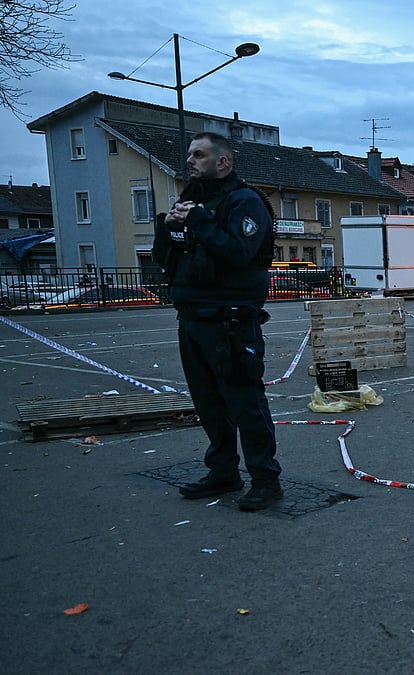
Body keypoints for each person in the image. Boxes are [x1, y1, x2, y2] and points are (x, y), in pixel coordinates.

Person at [152, 131, 283, 512]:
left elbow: (239, 252)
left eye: (199, 155)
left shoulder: (245, 202)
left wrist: (200, 221)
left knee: (244, 401)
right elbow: (165, 257)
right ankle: (223, 470)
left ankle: (265, 479)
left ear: (222, 161)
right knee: (207, 402)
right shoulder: (192, 201)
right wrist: (171, 225)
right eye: (190, 155)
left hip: (230, 320)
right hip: (191, 317)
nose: (190, 161)